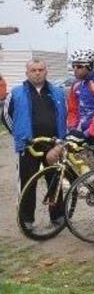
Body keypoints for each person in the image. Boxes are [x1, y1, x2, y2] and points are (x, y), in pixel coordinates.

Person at [6, 59, 67, 232]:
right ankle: (26, 219)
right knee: (27, 183)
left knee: (55, 181)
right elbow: (6, 116)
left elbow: (64, 116)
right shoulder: (16, 93)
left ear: (46, 71)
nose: (37, 73)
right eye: (33, 70)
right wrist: (20, 136)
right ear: (27, 73)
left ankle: (58, 216)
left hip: (53, 144)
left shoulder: (57, 92)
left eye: (41, 69)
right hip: (29, 145)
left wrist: (60, 141)